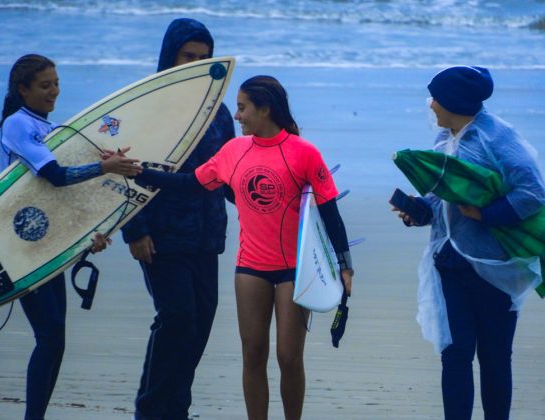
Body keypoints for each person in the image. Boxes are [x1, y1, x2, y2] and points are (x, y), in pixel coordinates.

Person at [121, 75, 354, 420]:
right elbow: (189, 184)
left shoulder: (303, 152)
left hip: (295, 268)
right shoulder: (233, 152)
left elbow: (330, 210)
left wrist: (344, 265)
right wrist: (140, 172)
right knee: (253, 353)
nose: (237, 115)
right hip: (252, 266)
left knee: (289, 357)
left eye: (243, 108)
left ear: (265, 109)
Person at [392, 66, 545, 420]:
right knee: (455, 354)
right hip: (449, 261)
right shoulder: (445, 137)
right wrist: (417, 213)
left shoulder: (499, 139)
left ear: (454, 103)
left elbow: (533, 193)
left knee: (494, 356)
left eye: (436, 98)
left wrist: (486, 214)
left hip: (494, 267)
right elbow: (439, 198)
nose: (430, 105)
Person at [0, 54, 141, 420]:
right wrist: (103, 167)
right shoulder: (17, 125)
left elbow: (63, 198)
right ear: (22, 89)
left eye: (57, 83)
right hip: (23, 244)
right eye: (45, 85)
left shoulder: (50, 129)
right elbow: (56, 176)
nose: (54, 92)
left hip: (48, 241)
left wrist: (91, 233)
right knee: (49, 336)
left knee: (54, 339)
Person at [119, 18, 235, 420]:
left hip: (208, 236)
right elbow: (124, 171)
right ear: (170, 58)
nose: (197, 64)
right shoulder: (147, 106)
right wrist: (134, 229)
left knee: (200, 325)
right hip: (162, 235)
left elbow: (232, 173)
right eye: (189, 57)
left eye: (205, 58)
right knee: (177, 319)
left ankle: (175, 409)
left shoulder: (218, 112)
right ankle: (150, 410)